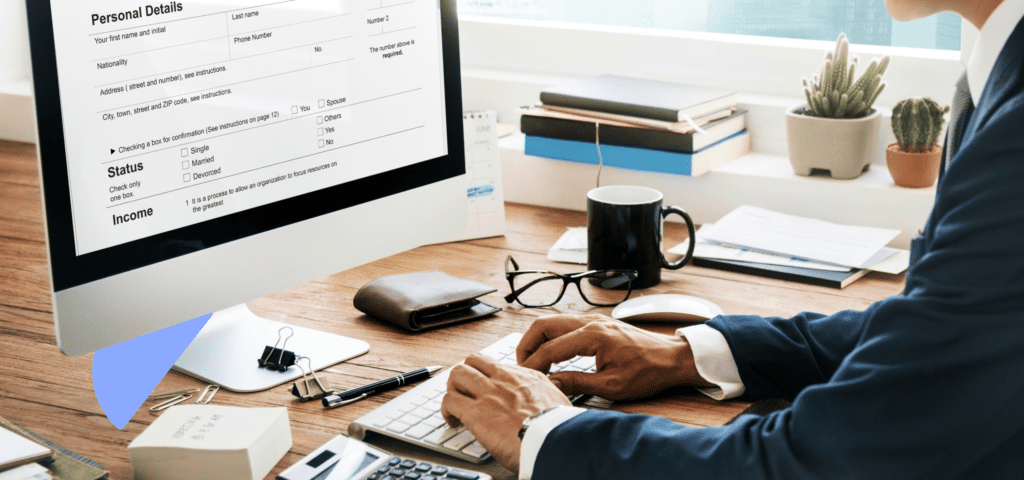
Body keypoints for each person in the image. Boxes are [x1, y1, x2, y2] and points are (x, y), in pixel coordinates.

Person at [440, 0, 1024, 477]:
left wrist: (546, 432)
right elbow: (933, 328)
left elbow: (825, 460)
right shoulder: (999, 61)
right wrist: (688, 355)